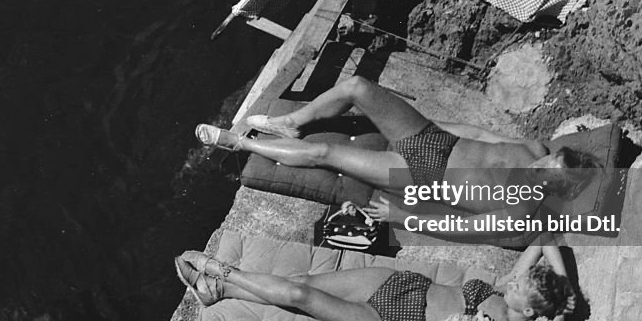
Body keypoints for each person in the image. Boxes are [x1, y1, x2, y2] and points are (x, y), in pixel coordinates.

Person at [195, 76, 601, 214]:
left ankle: (240, 145)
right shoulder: (536, 151)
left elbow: (462, 226)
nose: (539, 167)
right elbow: (479, 135)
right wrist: (422, 124)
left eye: (544, 177)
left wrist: (404, 218)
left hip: (423, 175)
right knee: (358, 87)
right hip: (433, 139)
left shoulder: (521, 205)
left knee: (327, 154)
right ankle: (291, 123)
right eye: (549, 162)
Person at [174, 237, 575, 321]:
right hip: (404, 286)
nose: (512, 281)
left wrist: (557, 317)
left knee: (298, 294)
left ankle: (220, 270)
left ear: (526, 307)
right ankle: (220, 291)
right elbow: (548, 237)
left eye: (520, 286)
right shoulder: (508, 293)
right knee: (305, 280)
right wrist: (565, 287)